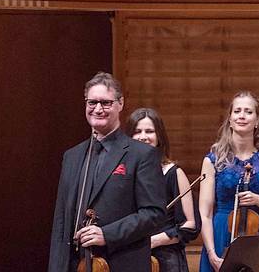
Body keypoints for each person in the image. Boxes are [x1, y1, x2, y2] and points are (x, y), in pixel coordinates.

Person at [50, 72, 172, 272]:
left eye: (106, 103)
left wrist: (107, 234)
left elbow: (154, 214)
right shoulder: (72, 156)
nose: (98, 109)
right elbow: (61, 223)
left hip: (122, 263)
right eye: (92, 102)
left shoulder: (142, 155)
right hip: (76, 266)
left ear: (120, 104)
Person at [198, 92, 259, 272]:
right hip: (221, 234)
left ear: (257, 121)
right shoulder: (213, 160)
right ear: (230, 119)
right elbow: (205, 214)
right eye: (237, 111)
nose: (241, 116)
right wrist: (212, 254)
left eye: (248, 112)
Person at [131, 108, 198, 272]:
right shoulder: (123, 175)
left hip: (166, 259)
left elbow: (190, 225)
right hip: (131, 257)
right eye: (137, 131)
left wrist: (154, 241)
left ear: (159, 136)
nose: (143, 136)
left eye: (149, 131)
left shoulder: (174, 173)